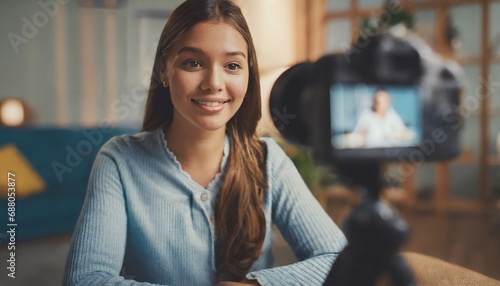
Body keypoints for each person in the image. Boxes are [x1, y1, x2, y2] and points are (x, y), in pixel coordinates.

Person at [63, 0, 346, 285]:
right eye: (193, 63)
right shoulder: (119, 161)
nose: (213, 82)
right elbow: (86, 279)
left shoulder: (268, 160)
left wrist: (254, 285)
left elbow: (339, 259)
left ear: (248, 73)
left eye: (232, 65)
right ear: (164, 69)